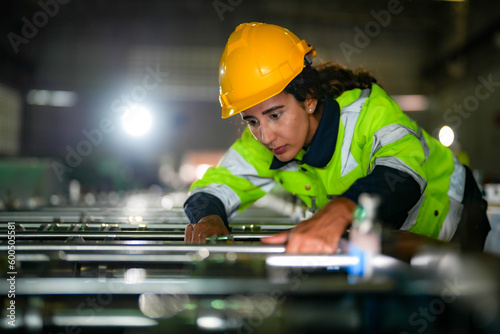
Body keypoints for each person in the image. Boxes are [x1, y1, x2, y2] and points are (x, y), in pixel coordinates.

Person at [183, 22, 490, 253]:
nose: (265, 135)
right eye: (251, 120)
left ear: (309, 99)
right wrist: (209, 219)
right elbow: (212, 187)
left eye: (275, 114)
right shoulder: (262, 145)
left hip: (456, 220)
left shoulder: (369, 111)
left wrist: (343, 209)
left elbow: (402, 176)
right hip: (385, 242)